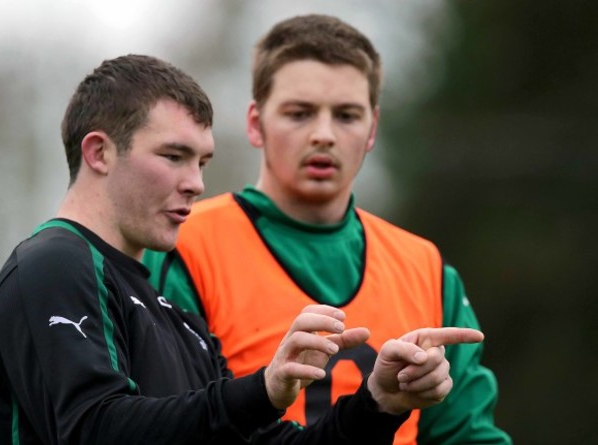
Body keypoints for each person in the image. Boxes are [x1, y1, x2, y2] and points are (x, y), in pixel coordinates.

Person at [0, 54, 484, 445]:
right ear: (99, 152)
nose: (195, 183)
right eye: (174, 156)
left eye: (203, 162)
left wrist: (379, 403)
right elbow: (95, 428)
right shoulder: (54, 264)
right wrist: (258, 392)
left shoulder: (175, 317)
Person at [141, 14, 512, 445]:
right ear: (255, 123)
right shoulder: (183, 245)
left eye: (346, 116)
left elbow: (468, 434)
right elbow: (171, 425)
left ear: (372, 128)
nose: (323, 134)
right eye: (299, 113)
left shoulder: (425, 267)